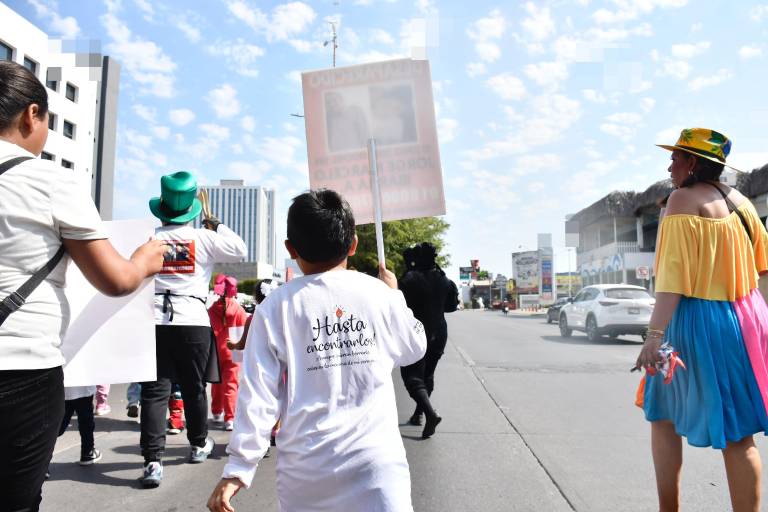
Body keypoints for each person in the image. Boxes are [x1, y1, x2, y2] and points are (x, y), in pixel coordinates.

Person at [0, 60, 165, 512]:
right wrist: (144, 261)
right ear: (31, 115)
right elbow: (115, 280)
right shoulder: (49, 180)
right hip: (22, 372)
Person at [207, 189, 427, 512]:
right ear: (353, 244)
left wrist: (239, 468)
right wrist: (395, 296)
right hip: (377, 469)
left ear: (290, 249)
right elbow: (415, 347)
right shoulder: (378, 294)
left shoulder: (275, 307)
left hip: (305, 474)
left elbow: (258, 395)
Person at [636, 128, 768, 512]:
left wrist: (654, 335)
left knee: (663, 415)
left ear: (692, 162)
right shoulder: (742, 202)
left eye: (675, 158)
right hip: (745, 319)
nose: (669, 167)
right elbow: (764, 268)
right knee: (739, 435)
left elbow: (672, 279)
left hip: (694, 322)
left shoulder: (682, 200)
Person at [139, 170, 247, 488]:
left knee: (154, 391)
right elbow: (239, 248)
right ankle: (199, 444)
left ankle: (152, 462)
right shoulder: (204, 238)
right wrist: (217, 225)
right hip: (192, 320)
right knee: (193, 387)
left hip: (155, 319)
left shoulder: (150, 238)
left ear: (162, 207)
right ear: (191, 209)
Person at [399, 242, 459, 438]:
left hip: (416, 332)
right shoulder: (445, 280)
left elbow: (397, 306)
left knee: (412, 376)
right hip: (439, 333)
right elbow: (451, 307)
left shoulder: (409, 279)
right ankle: (419, 414)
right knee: (428, 374)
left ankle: (430, 414)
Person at [209, 274, 248, 431]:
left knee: (216, 384)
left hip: (215, 352)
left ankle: (216, 411)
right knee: (231, 385)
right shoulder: (238, 309)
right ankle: (230, 418)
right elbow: (244, 331)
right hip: (233, 351)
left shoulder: (211, 310)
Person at [58, 386, 102, 466]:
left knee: (58, 424)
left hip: (62, 389)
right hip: (83, 389)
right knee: (86, 421)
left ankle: (41, 458)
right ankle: (87, 452)